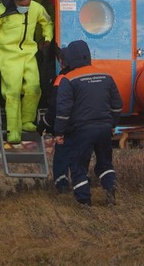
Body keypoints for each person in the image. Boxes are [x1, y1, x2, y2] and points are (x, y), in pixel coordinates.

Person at [53, 40, 123, 206]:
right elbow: (117, 105)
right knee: (105, 163)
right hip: (105, 128)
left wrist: (59, 133)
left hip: (82, 130)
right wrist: (113, 124)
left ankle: (84, 201)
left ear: (69, 58)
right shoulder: (106, 76)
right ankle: (110, 187)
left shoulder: (68, 80)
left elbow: (63, 111)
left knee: (78, 166)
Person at [0, 0, 54, 143]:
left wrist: (47, 38)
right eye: (23, 5)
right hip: (8, 55)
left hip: (29, 53)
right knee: (12, 92)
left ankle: (26, 121)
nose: (26, 7)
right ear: (15, 1)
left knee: (34, 88)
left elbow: (47, 22)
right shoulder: (1, 10)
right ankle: (13, 131)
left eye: (28, 4)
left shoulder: (36, 8)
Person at [37, 47, 73, 194]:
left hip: (65, 127)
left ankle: (62, 186)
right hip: (82, 126)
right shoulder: (80, 76)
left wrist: (43, 125)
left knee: (61, 157)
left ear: (61, 62)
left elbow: (54, 108)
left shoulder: (60, 80)